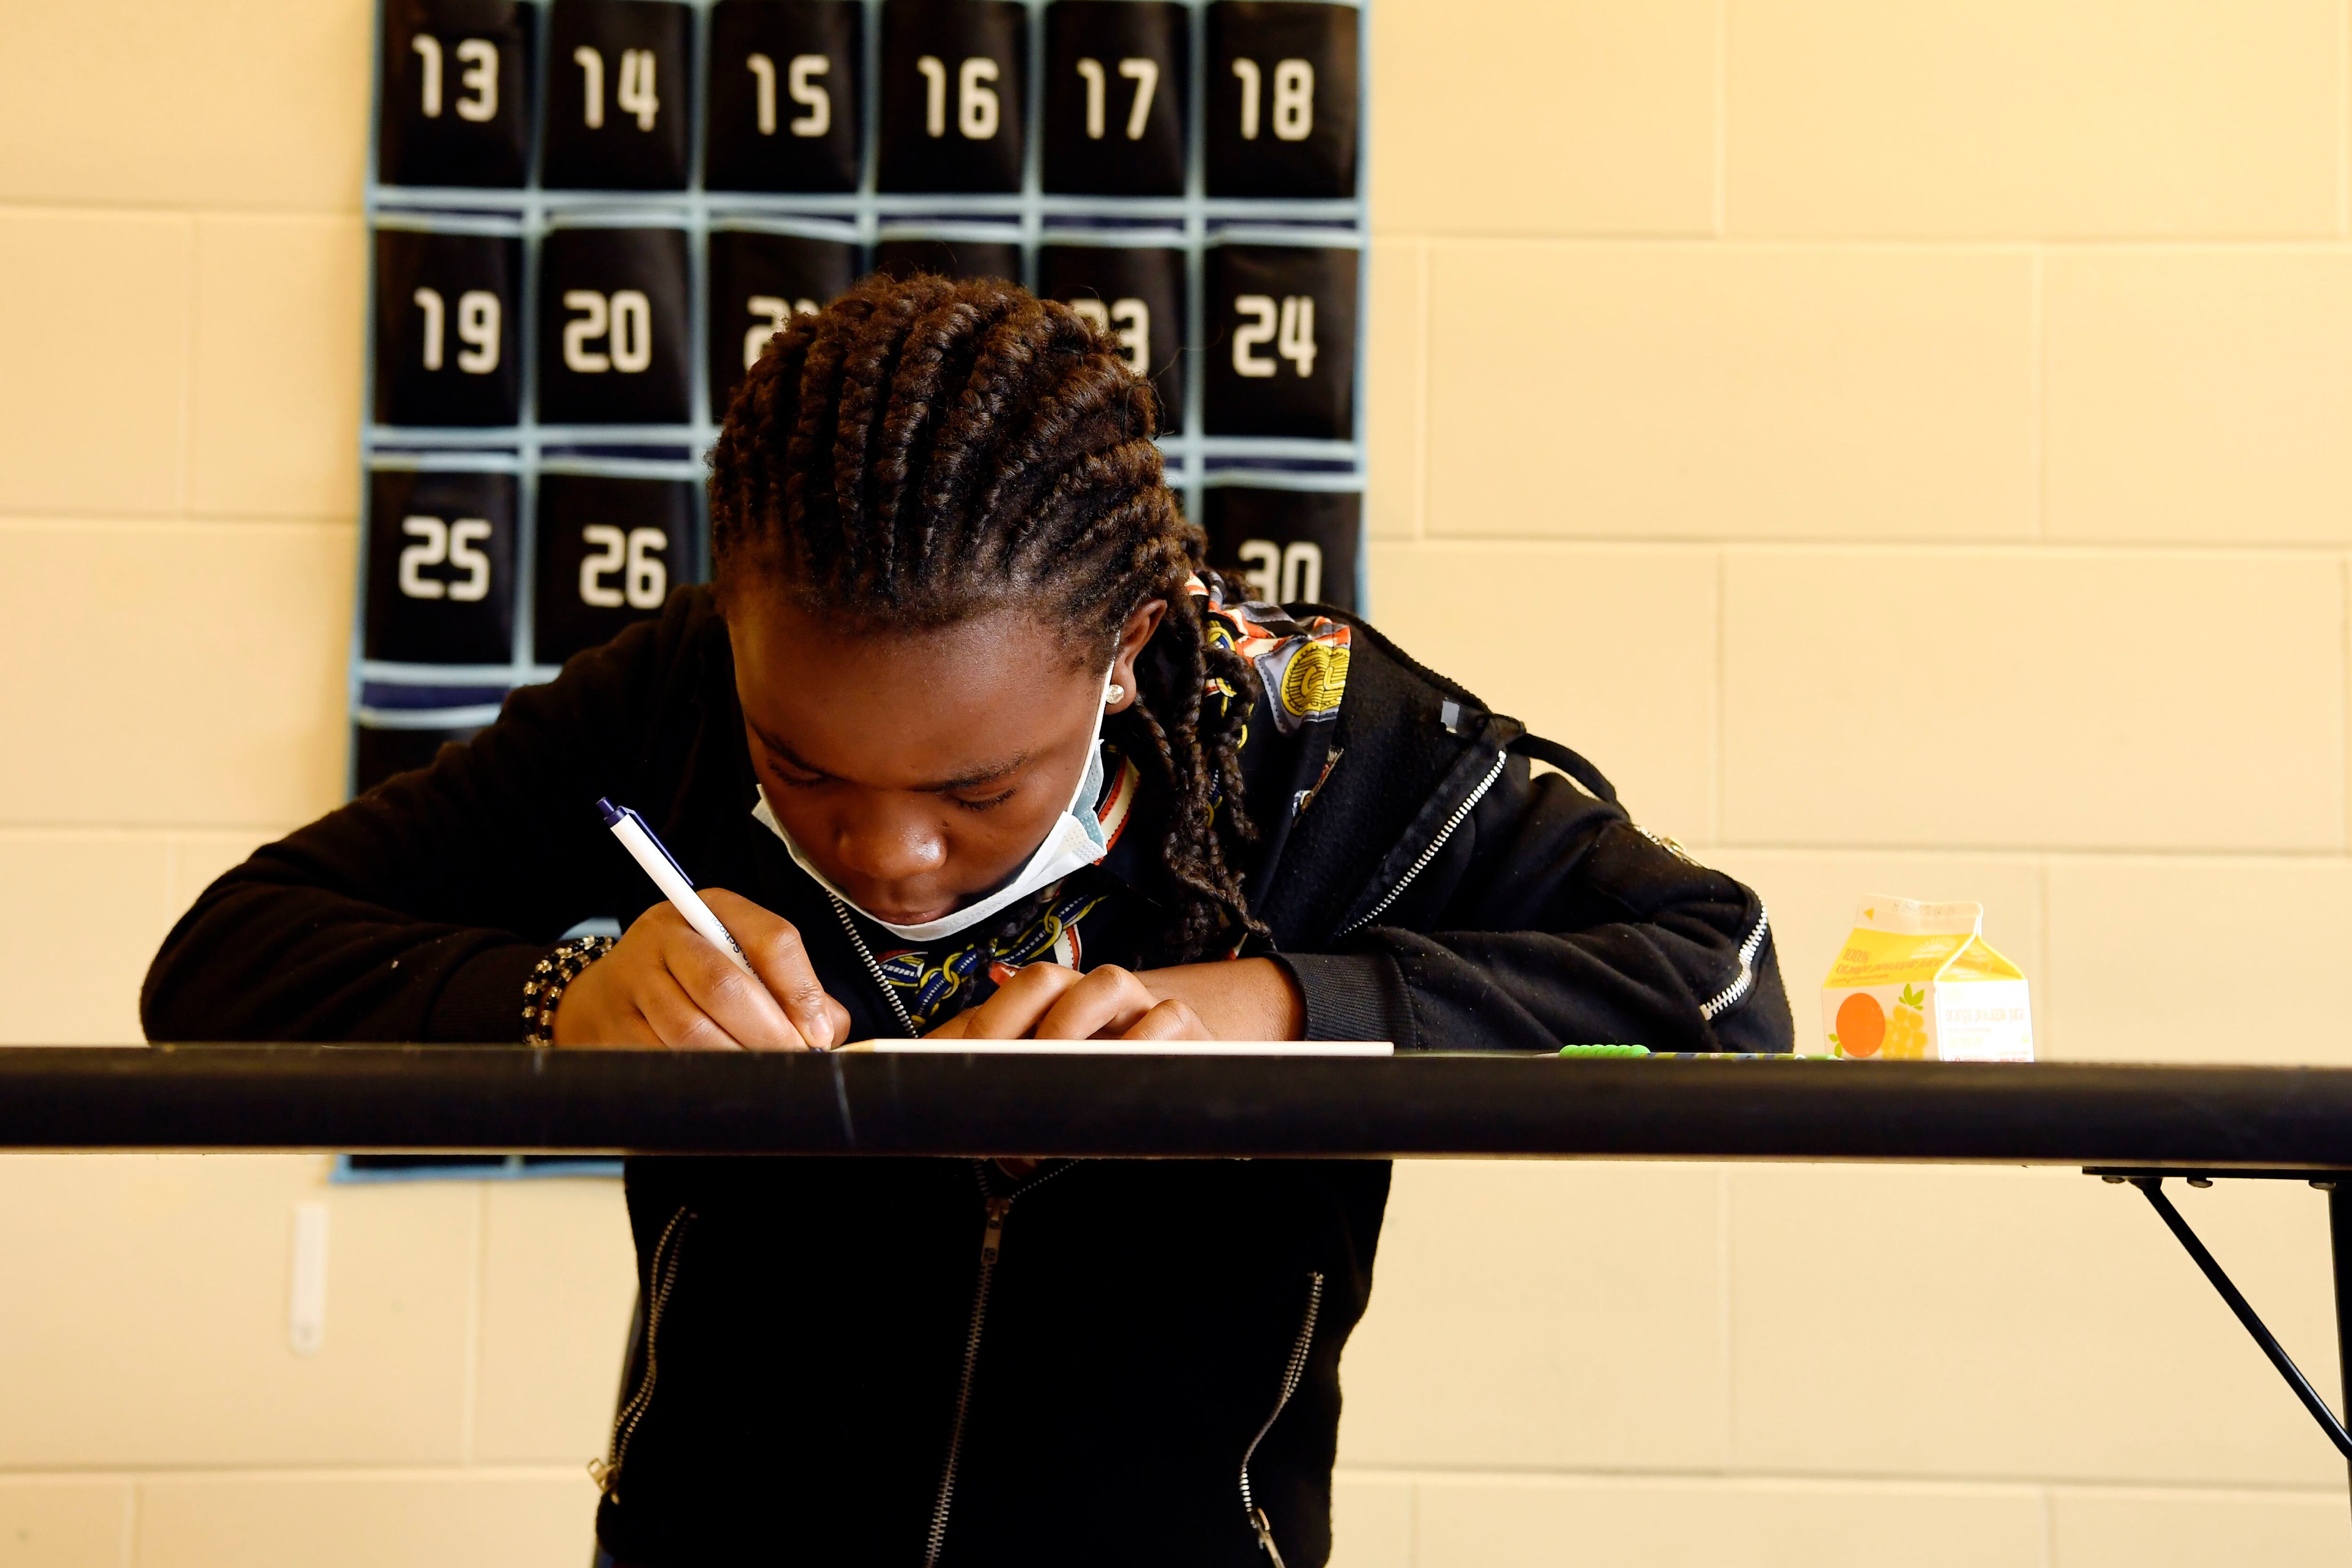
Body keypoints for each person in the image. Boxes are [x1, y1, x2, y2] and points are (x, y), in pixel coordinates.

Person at [142, 271, 1792, 1567]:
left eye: (980, 791)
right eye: (808, 771)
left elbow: (1724, 989)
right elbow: (224, 960)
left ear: (1129, 641)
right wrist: (561, 1000)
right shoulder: (671, 707)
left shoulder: (1315, 742)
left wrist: (1271, 1015)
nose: (893, 858)